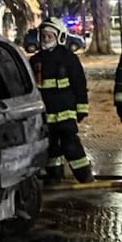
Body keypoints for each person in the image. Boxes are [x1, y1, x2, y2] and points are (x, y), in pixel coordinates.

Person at [32, 19, 93, 183]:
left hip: (65, 111)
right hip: (46, 113)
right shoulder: (35, 61)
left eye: (49, 35)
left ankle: (85, 176)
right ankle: (55, 176)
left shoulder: (69, 59)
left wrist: (82, 108)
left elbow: (79, 85)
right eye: (43, 36)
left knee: (71, 145)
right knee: (51, 147)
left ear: (58, 37)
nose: (45, 39)